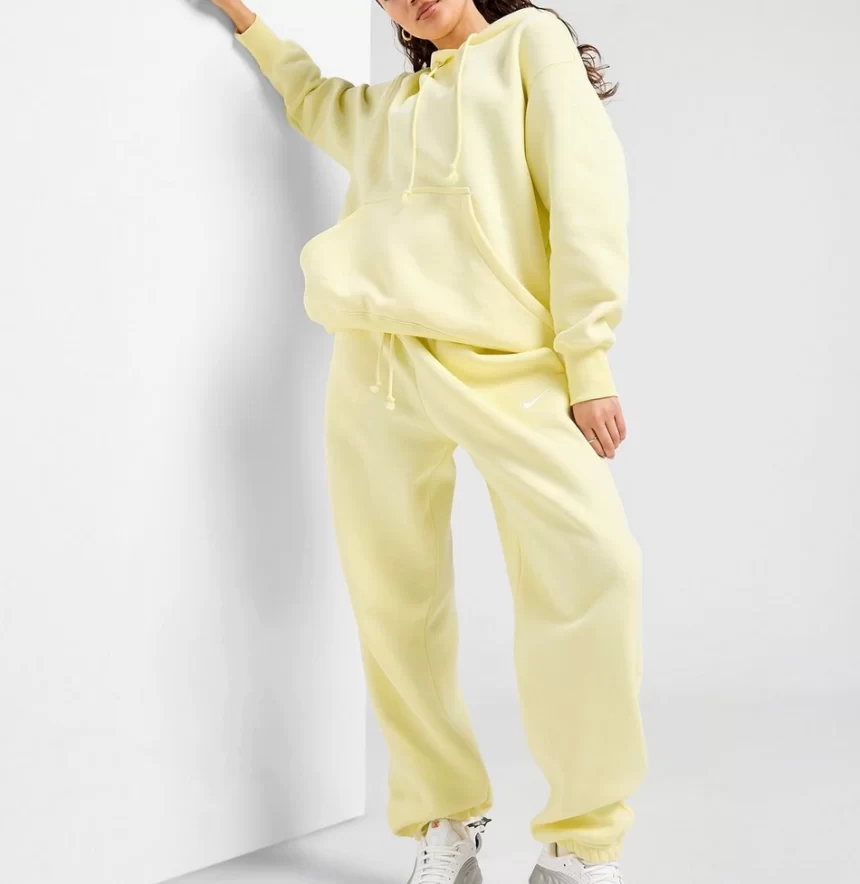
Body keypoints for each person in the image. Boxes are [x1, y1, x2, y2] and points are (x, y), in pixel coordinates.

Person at [206, 0, 646, 881]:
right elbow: (310, 96)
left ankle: (581, 839)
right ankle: (445, 816)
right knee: (395, 600)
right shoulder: (389, 109)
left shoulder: (530, 45)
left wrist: (587, 359)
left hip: (509, 366)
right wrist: (244, 18)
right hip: (376, 368)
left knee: (592, 569)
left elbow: (587, 196)